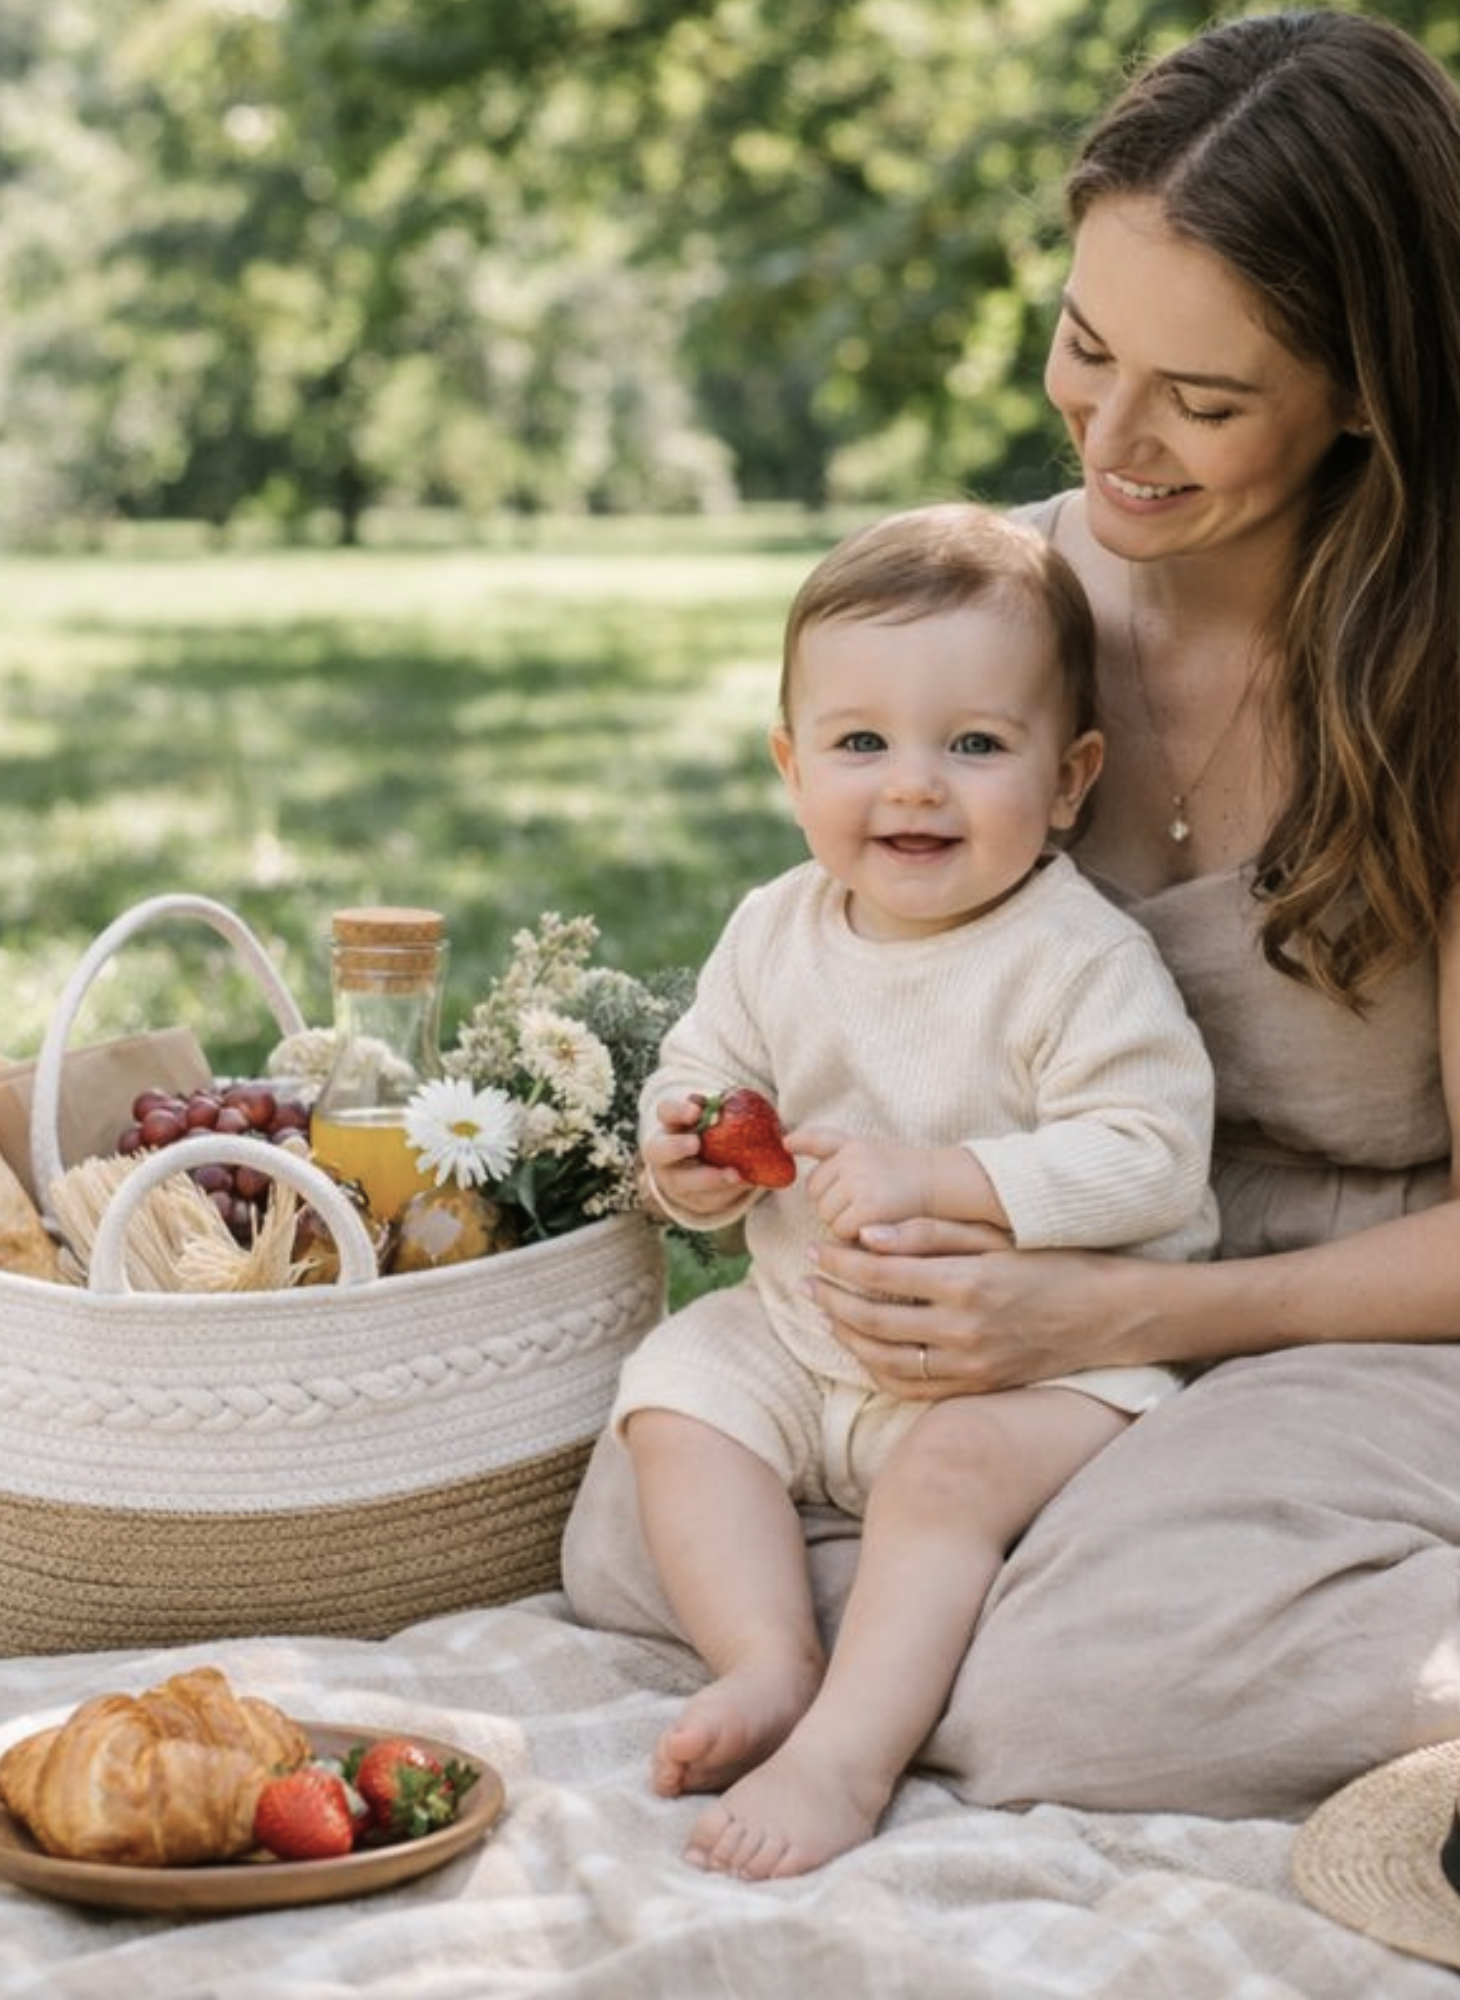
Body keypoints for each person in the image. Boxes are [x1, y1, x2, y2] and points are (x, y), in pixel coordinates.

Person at [565, 8, 1460, 1826]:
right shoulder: (1006, 619)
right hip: (1056, 1291)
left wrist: (1106, 1317)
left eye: (1203, 401)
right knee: (632, 1529)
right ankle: (1001, 1616)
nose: (1113, 439)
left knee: (1102, 1699)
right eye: (1084, 346)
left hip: (1415, 1313)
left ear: (1370, 390)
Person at [612, 501, 1218, 1878]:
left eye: (976, 746)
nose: (913, 786)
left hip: (1032, 1364)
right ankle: (768, 1660)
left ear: (1069, 780)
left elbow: (1151, 1152)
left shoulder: (1072, 957)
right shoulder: (775, 929)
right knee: (673, 1389)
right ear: (792, 763)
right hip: (807, 1328)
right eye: (861, 743)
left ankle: (845, 1754)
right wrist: (688, 1158)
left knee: (946, 1476)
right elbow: (705, 1073)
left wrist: (953, 1179)